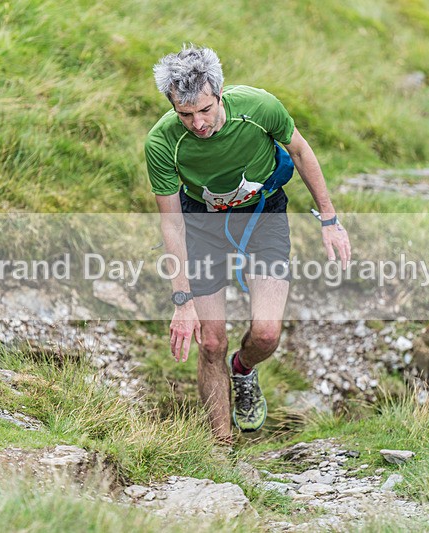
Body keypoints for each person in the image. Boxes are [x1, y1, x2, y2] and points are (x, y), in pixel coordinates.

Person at [144, 44, 351, 444]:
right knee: (210, 341)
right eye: (184, 114)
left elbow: (301, 152)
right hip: (201, 223)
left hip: (263, 216)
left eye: (205, 110)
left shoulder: (259, 109)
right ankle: (222, 449)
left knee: (267, 333)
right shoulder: (162, 142)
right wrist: (182, 300)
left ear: (219, 94)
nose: (198, 124)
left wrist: (329, 219)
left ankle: (243, 368)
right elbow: (171, 223)